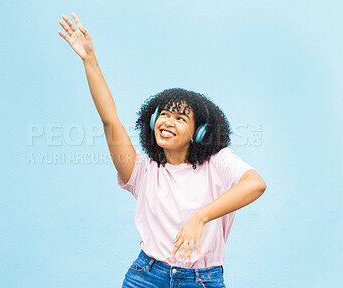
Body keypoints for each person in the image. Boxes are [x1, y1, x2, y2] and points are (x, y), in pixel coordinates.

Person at [58, 12, 267, 288]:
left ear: (199, 133)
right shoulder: (143, 172)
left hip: (202, 279)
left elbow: (256, 184)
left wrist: (200, 218)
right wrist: (89, 59)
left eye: (181, 119)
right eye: (165, 115)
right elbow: (110, 121)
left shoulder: (218, 163)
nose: (168, 122)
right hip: (146, 276)